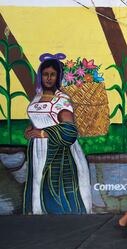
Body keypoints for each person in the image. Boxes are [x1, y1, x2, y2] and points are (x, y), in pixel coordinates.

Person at [23, 53, 92, 214]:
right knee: (38, 181)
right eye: (45, 74)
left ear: (58, 77)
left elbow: (69, 130)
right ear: (41, 76)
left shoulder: (61, 100)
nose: (48, 78)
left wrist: (42, 133)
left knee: (55, 185)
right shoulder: (37, 98)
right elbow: (40, 119)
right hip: (38, 151)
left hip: (57, 150)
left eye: (52, 75)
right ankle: (38, 210)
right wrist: (30, 128)